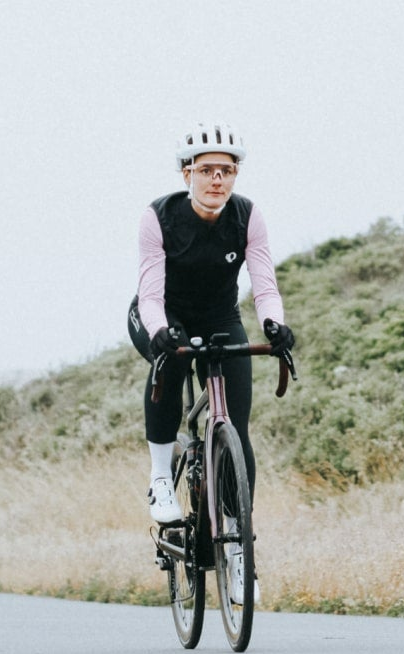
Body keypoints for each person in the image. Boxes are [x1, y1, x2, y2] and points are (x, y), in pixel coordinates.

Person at [125, 123, 296, 538]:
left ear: (235, 175)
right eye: (206, 170)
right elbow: (149, 295)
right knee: (169, 362)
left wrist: (276, 324)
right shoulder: (159, 216)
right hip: (163, 313)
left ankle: (238, 539)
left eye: (226, 170)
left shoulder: (247, 216)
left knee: (237, 426)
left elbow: (265, 285)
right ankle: (161, 476)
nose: (217, 179)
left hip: (220, 316)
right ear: (187, 174)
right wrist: (161, 331)